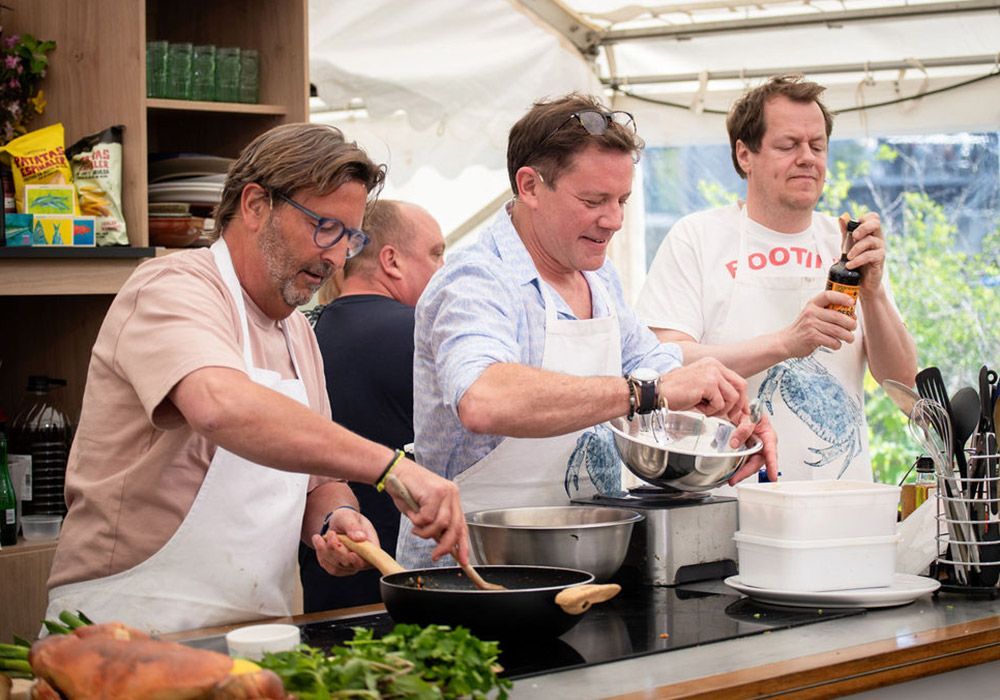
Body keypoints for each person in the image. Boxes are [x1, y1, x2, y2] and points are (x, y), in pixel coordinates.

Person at [44, 124, 467, 635]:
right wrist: (393, 467)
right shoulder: (171, 287)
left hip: (255, 632)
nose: (336, 257)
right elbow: (220, 405)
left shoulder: (297, 332)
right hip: (129, 618)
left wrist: (335, 523)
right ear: (255, 205)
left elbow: (320, 484)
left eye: (350, 238)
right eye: (325, 227)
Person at [395, 93, 778, 569]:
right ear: (530, 186)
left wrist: (727, 414)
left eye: (622, 200)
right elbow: (484, 398)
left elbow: (655, 364)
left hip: (583, 562)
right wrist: (650, 391)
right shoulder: (476, 279)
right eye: (593, 200)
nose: (614, 220)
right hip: (473, 575)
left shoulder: (598, 278)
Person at [636, 75, 917, 482]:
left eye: (817, 146)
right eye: (789, 145)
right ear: (745, 154)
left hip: (840, 496)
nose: (808, 157)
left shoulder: (844, 245)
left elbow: (905, 389)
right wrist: (786, 343)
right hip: (729, 492)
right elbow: (664, 362)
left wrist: (873, 295)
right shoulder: (698, 236)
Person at [299, 199, 445, 611]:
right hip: (409, 591)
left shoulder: (305, 332)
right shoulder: (423, 335)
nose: (443, 270)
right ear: (391, 260)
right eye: (436, 254)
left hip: (327, 581)